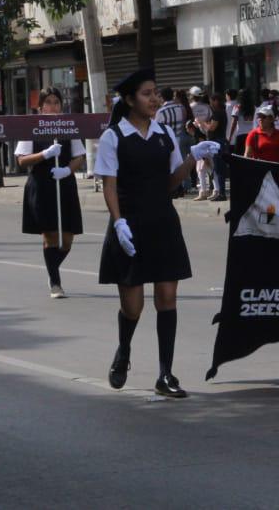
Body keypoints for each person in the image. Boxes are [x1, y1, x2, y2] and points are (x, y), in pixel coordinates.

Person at [95, 68, 219, 399]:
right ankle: (124, 350)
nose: (154, 99)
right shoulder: (113, 137)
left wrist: (193, 157)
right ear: (130, 99)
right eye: (147, 94)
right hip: (129, 225)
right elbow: (109, 185)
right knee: (133, 307)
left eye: (155, 93)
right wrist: (118, 222)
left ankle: (165, 374)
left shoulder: (164, 133)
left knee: (167, 298)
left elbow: (171, 181)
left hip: (163, 222)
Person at [16, 87, 87, 298]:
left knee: (67, 239)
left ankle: (52, 269)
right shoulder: (31, 127)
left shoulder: (69, 126)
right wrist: (45, 154)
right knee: (50, 235)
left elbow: (79, 156)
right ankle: (55, 282)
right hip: (42, 184)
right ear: (40, 107)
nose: (53, 106)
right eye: (48, 102)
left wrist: (67, 170)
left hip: (64, 182)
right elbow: (22, 160)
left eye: (56, 102)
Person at [187, 87, 214, 200]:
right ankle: (211, 188)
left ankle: (204, 190)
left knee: (201, 166)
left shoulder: (190, 107)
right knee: (208, 164)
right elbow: (210, 119)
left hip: (197, 137)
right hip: (208, 135)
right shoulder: (207, 106)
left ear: (192, 96)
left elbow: (188, 123)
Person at [202, 92, 229, 202]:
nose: (210, 103)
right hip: (218, 141)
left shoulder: (218, 113)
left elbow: (212, 128)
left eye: (211, 101)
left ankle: (222, 193)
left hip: (217, 143)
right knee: (218, 168)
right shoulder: (220, 112)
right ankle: (220, 192)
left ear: (216, 101)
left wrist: (202, 123)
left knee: (219, 168)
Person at [228, 89, 256, 157]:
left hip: (240, 135)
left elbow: (234, 123)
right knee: (250, 156)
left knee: (239, 156)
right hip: (252, 135)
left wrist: (230, 136)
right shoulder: (254, 107)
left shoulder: (237, 107)